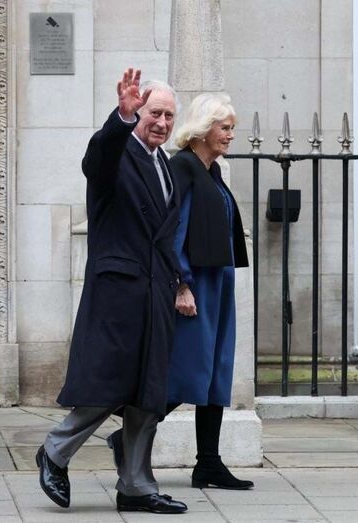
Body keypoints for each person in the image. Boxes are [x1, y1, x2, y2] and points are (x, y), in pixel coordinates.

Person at [36, 68, 187, 515]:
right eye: (153, 113)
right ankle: (55, 450)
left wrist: (180, 283)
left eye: (168, 116)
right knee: (109, 384)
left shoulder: (165, 164)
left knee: (148, 393)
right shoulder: (117, 154)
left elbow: (165, 236)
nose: (161, 122)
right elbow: (97, 158)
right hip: (117, 292)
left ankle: (137, 484)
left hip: (155, 291)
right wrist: (119, 119)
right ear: (137, 111)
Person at [106, 92, 254, 491]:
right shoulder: (184, 168)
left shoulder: (212, 171)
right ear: (205, 130)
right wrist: (182, 284)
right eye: (225, 128)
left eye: (232, 129)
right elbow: (173, 232)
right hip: (194, 285)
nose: (230, 136)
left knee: (217, 372)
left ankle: (208, 462)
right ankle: (127, 438)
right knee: (188, 371)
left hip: (217, 279)